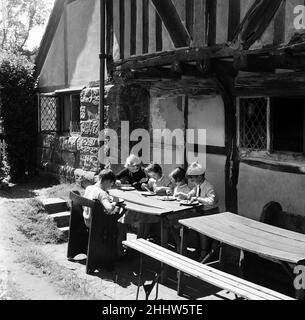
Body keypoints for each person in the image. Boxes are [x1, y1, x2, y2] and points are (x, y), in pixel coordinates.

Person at [177, 162, 219, 261]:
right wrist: (186, 195)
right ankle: (199, 250)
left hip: (210, 214)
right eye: (190, 178)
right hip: (201, 213)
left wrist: (198, 198)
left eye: (193, 178)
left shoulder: (208, 186)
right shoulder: (198, 185)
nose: (191, 180)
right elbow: (193, 192)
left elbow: (212, 201)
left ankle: (204, 252)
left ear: (200, 176)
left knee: (201, 230)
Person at [83, 169, 126, 258]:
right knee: (121, 225)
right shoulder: (101, 193)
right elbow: (109, 209)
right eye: (111, 184)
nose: (111, 186)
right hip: (97, 225)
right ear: (107, 181)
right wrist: (115, 201)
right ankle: (118, 253)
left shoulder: (89, 188)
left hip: (87, 219)